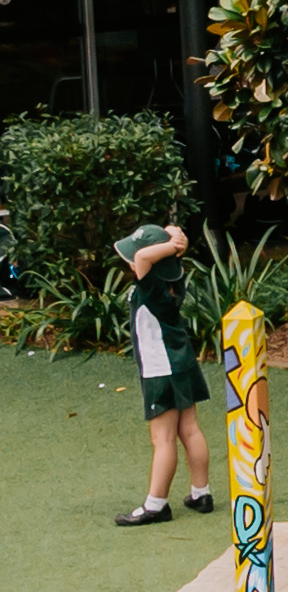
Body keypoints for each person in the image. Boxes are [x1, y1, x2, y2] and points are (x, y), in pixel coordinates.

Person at [114, 222, 219, 529]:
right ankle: (201, 494)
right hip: (182, 361)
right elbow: (156, 249)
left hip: (161, 367)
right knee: (190, 428)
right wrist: (177, 242)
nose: (133, 260)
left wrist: (174, 245)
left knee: (162, 438)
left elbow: (145, 258)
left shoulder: (149, 281)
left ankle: (156, 504)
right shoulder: (174, 276)